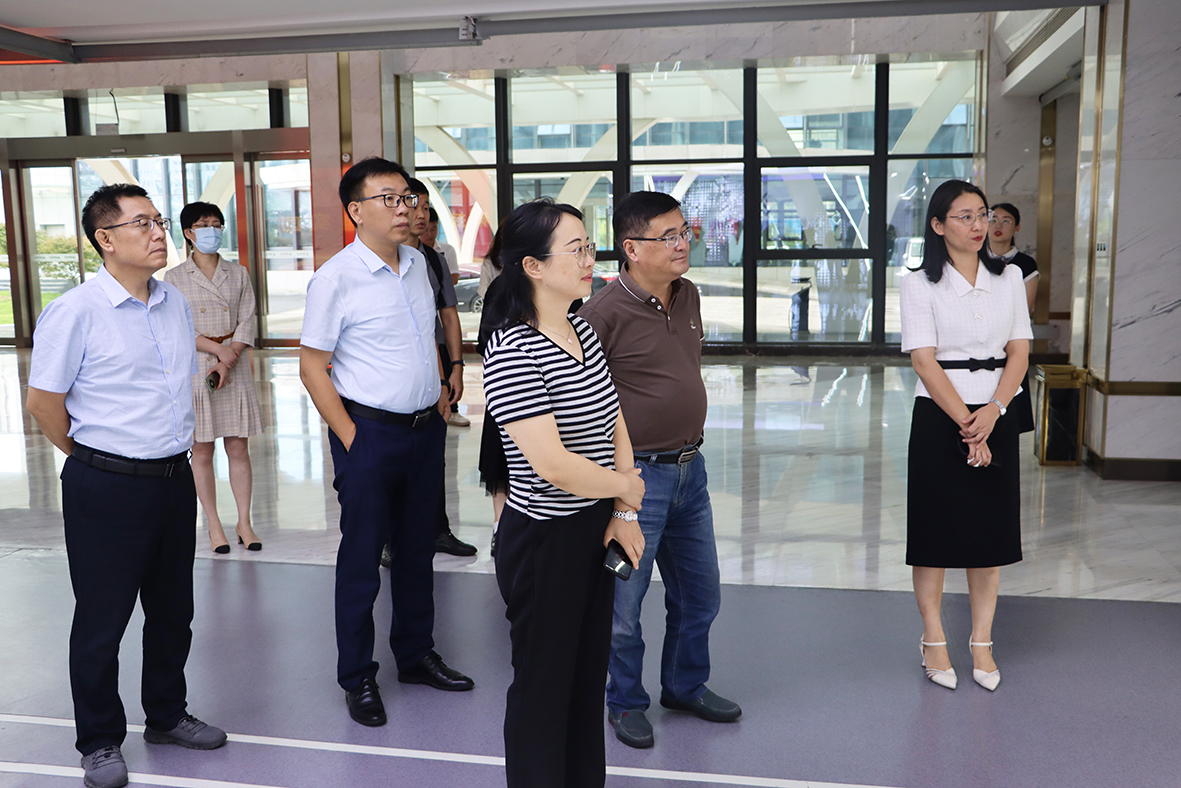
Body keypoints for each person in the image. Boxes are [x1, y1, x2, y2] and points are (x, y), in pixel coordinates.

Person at [26, 184, 227, 788]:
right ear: (106, 239)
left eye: (158, 220)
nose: (158, 232)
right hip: (106, 486)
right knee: (103, 618)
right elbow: (44, 404)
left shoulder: (174, 303)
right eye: (142, 223)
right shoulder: (75, 312)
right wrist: (92, 458)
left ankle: (166, 715)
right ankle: (99, 741)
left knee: (173, 611)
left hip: (173, 479)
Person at [299, 157, 474, 730]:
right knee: (362, 560)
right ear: (356, 210)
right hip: (369, 433)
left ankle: (416, 655)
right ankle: (358, 676)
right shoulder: (335, 278)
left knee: (417, 551)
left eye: (408, 198)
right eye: (389, 199)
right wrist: (353, 439)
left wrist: (443, 384)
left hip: (424, 430)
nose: (405, 209)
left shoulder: (418, 263)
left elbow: (424, 336)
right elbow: (312, 367)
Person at [482, 199, 646, 788]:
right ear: (532, 265)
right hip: (542, 542)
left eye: (588, 246)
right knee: (543, 687)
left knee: (584, 679)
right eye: (575, 250)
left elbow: (614, 419)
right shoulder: (513, 349)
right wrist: (627, 486)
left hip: (594, 528)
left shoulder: (582, 328)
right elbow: (553, 466)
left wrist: (624, 510)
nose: (588, 259)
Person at [580, 191, 741, 750]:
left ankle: (685, 685)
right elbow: (587, 410)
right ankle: (624, 701)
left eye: (684, 231)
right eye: (668, 236)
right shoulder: (600, 315)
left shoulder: (687, 293)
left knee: (700, 595)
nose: (682, 243)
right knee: (624, 609)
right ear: (631, 248)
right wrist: (619, 491)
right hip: (637, 482)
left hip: (691, 472)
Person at [900, 179, 1032, 693]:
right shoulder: (918, 283)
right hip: (940, 414)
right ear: (938, 225)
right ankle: (933, 639)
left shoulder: (1009, 277)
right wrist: (966, 422)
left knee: (989, 534)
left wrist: (993, 411)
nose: (980, 226)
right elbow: (923, 361)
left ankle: (982, 642)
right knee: (933, 535)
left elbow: (1019, 351)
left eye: (984, 215)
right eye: (966, 217)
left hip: (998, 410)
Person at [164, 201, 264, 554]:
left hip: (233, 365)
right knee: (202, 450)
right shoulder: (174, 278)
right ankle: (214, 524)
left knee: (238, 447)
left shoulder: (238, 273)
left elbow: (248, 318)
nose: (212, 230)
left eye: (217, 224)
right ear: (189, 233)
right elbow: (177, 326)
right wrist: (217, 351)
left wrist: (229, 355)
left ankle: (244, 522)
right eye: (203, 224)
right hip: (198, 366)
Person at [405, 177, 476, 555]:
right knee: (397, 458)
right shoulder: (380, 260)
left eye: (424, 207)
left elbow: (448, 315)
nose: (421, 215)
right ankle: (391, 537)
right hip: (397, 370)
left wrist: (456, 367)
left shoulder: (432, 258)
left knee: (435, 450)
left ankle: (438, 530)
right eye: (413, 206)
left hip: (435, 362)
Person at [987, 202, 1038, 433]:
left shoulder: (1025, 265)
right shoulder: (975, 259)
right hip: (979, 342)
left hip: (1010, 341)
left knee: (1009, 412)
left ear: (1017, 227)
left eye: (1006, 221)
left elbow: (1024, 309)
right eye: (993, 220)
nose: (998, 226)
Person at [422, 206, 460, 286]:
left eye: (433, 229)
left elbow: (454, 278)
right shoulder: (412, 251)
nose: (430, 234)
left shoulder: (448, 250)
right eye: (425, 230)